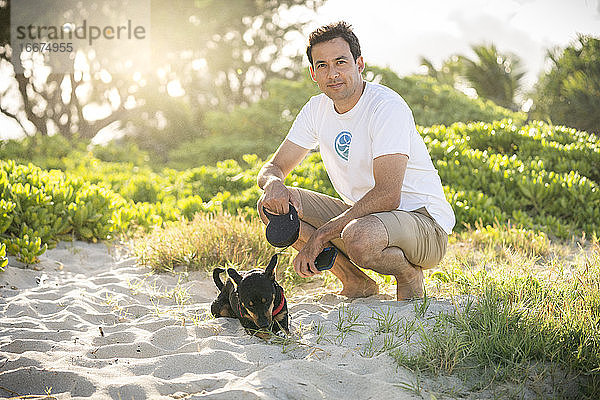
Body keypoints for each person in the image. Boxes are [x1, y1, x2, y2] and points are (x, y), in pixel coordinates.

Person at [256, 21, 455, 300]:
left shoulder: (386, 107)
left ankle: (409, 275)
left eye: (340, 62)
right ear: (313, 73)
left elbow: (388, 196)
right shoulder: (317, 109)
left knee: (358, 236)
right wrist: (274, 182)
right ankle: (356, 282)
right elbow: (272, 167)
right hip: (365, 219)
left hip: (423, 224)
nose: (333, 73)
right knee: (272, 206)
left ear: (359, 64)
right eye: (322, 65)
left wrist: (320, 236)